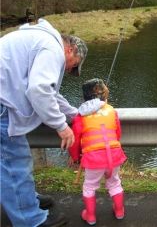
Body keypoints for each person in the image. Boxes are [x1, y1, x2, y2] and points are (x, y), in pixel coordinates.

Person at [0, 18, 88, 227]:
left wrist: (74, 114)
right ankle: (30, 220)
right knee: (15, 165)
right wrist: (61, 126)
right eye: (73, 66)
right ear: (71, 49)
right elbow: (39, 90)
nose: (68, 71)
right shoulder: (52, 48)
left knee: (10, 164)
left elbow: (50, 93)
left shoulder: (41, 40)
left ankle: (25, 199)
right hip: (2, 109)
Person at [68, 78, 127, 225]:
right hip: (114, 155)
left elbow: (75, 140)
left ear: (84, 97)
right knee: (114, 182)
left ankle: (90, 216)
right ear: (103, 95)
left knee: (89, 185)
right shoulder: (111, 110)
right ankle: (119, 211)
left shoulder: (80, 116)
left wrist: (75, 157)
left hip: (94, 158)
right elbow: (117, 133)